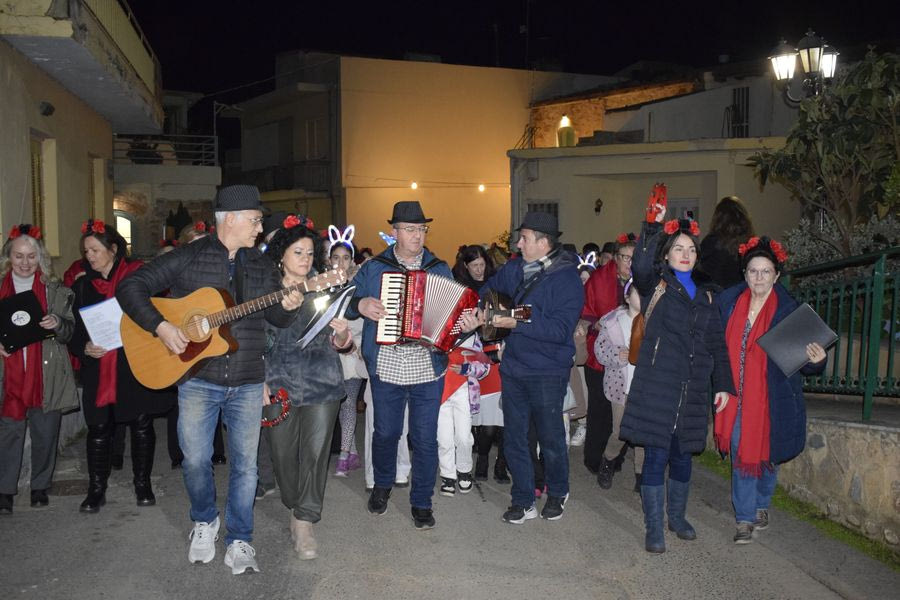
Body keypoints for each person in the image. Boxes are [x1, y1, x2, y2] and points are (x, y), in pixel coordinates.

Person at [117, 185, 302, 575]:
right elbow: (130, 287)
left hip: (249, 377)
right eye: (254, 220)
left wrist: (289, 306)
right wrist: (162, 327)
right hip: (198, 377)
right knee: (196, 459)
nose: (258, 227)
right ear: (230, 219)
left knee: (245, 467)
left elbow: (276, 319)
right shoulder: (189, 256)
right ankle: (204, 520)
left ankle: (240, 539)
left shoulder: (262, 264)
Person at [619, 205, 734, 554]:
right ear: (667, 254)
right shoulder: (656, 284)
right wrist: (652, 226)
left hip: (693, 388)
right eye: (678, 249)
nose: (685, 255)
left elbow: (717, 344)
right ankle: (654, 527)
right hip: (658, 386)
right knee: (655, 457)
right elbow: (639, 265)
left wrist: (725, 385)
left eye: (691, 249)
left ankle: (677, 517)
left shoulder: (708, 294)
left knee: (683, 457)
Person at [465, 211, 584, 524]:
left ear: (543, 243)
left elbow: (559, 330)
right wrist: (480, 311)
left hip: (548, 370)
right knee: (515, 437)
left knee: (550, 437)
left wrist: (515, 321)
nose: (518, 243)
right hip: (515, 367)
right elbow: (486, 290)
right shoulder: (515, 267)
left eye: (525, 238)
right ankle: (523, 499)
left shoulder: (567, 278)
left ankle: (557, 491)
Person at [345, 200, 451, 530]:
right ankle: (382, 487)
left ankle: (421, 501)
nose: (417, 235)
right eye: (409, 229)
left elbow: (452, 317)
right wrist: (360, 303)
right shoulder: (374, 268)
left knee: (424, 437)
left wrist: (463, 321)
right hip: (387, 359)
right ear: (394, 233)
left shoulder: (439, 268)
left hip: (426, 362)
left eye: (421, 229)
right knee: (386, 432)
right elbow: (346, 303)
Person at [715, 236, 826, 544]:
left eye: (766, 271)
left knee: (769, 457)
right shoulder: (728, 305)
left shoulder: (789, 312)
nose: (759, 277)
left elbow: (805, 363)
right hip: (735, 397)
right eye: (753, 271)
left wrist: (816, 361)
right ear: (745, 273)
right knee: (741, 453)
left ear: (777, 275)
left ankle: (762, 504)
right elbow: (716, 349)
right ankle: (745, 518)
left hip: (773, 399)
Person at [263, 215, 352, 559]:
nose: (305, 259)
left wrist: (343, 335)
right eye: (298, 252)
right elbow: (253, 339)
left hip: (322, 382)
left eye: (311, 253)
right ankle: (293, 503)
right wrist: (259, 380)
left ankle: (304, 520)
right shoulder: (265, 292)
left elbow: (341, 343)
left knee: (315, 455)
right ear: (281, 255)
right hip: (278, 383)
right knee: (283, 456)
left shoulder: (327, 287)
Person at [69, 220, 173, 513]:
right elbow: (75, 331)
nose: (89, 256)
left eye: (94, 249)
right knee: (99, 428)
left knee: (141, 424)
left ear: (113, 249)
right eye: (86, 251)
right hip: (99, 367)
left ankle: (143, 484)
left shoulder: (137, 278)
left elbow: (158, 311)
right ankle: (96, 489)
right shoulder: (82, 286)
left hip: (133, 363)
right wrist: (84, 348)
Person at [0, 225, 78, 514]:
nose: (25, 262)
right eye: (19, 256)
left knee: (46, 432)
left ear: (40, 258)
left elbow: (71, 331)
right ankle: (5, 490)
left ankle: (39, 486)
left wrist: (58, 324)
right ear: (9, 256)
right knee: (8, 433)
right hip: (9, 375)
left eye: (31, 256)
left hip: (47, 373)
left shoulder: (55, 290)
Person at [581, 233, 636, 478]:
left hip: (628, 362)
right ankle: (595, 458)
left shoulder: (639, 282)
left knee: (623, 412)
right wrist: (595, 324)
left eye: (633, 258)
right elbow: (586, 309)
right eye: (625, 257)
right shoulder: (599, 279)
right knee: (600, 410)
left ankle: (615, 457)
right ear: (615, 257)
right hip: (600, 357)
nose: (629, 263)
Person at [452, 245, 507, 482]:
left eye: (482, 264)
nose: (479, 270)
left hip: (502, 351)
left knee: (505, 421)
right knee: (486, 423)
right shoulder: (460, 289)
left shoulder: (498, 284)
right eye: (474, 265)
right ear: (465, 266)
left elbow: (514, 315)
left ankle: (501, 464)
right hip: (478, 355)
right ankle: (482, 458)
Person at [593, 278, 644, 492]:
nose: (641, 297)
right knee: (620, 431)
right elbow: (600, 350)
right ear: (626, 297)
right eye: (637, 293)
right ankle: (608, 461)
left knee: (643, 434)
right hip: (621, 387)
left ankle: (642, 476)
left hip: (645, 388)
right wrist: (617, 354)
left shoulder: (653, 320)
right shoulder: (613, 322)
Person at [327, 226, 364, 477]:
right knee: (335, 404)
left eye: (346, 257)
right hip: (326, 356)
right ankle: (350, 451)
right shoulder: (320, 285)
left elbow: (363, 320)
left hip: (352, 352)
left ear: (353, 260)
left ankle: (343, 456)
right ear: (329, 260)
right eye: (336, 257)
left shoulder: (360, 286)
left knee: (348, 402)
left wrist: (356, 346)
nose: (341, 262)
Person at [700, 196, 755, 289]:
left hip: (715, 297)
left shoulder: (710, 242)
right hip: (741, 297)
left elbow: (700, 274)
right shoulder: (751, 244)